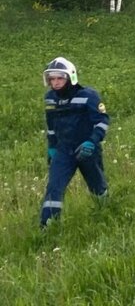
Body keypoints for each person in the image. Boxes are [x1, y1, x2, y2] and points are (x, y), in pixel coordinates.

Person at [40, 57, 109, 228]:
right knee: (54, 187)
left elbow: (102, 121)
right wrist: (52, 148)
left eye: (59, 78)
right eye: (52, 79)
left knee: (97, 187)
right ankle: (48, 228)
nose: (55, 83)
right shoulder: (50, 99)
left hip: (87, 149)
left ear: (70, 77)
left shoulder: (88, 96)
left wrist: (92, 142)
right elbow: (51, 127)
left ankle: (106, 214)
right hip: (63, 151)